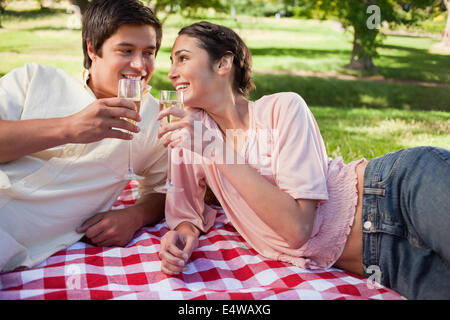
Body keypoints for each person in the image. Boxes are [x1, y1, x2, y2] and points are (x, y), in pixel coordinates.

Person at [157, 21, 450, 300]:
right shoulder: (190, 135)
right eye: (171, 61)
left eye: (182, 58)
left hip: (398, 193)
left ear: (223, 64)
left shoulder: (282, 108)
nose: (171, 72)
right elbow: (186, 213)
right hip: (383, 260)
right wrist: (181, 238)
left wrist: (215, 150)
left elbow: (297, 228)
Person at [0, 0, 167, 272]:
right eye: (126, 50)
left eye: (149, 52)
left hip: (14, 243)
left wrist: (135, 215)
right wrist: (69, 128)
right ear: (92, 49)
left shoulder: (156, 120)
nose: (139, 65)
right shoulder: (35, 79)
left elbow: (164, 188)